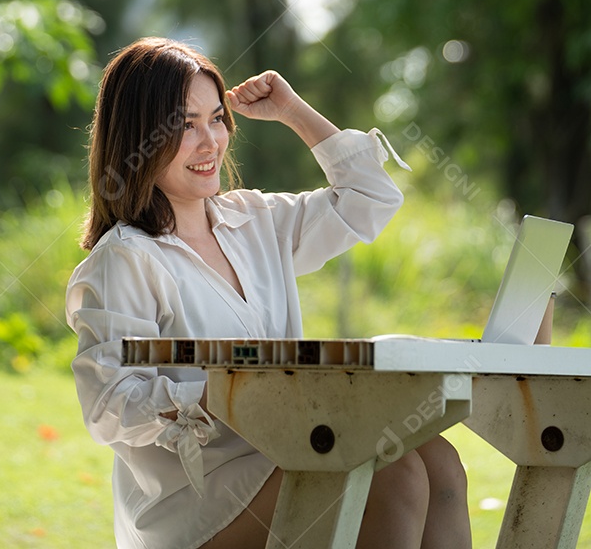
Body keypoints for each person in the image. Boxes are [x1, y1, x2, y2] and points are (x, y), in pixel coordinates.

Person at [66, 37, 471, 549]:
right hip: (196, 499)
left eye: (216, 118)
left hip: (288, 451)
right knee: (396, 477)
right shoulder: (124, 260)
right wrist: (225, 393)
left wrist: (293, 111)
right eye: (185, 125)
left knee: (438, 459)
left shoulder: (256, 221)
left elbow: (370, 198)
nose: (209, 141)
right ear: (139, 136)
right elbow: (105, 405)